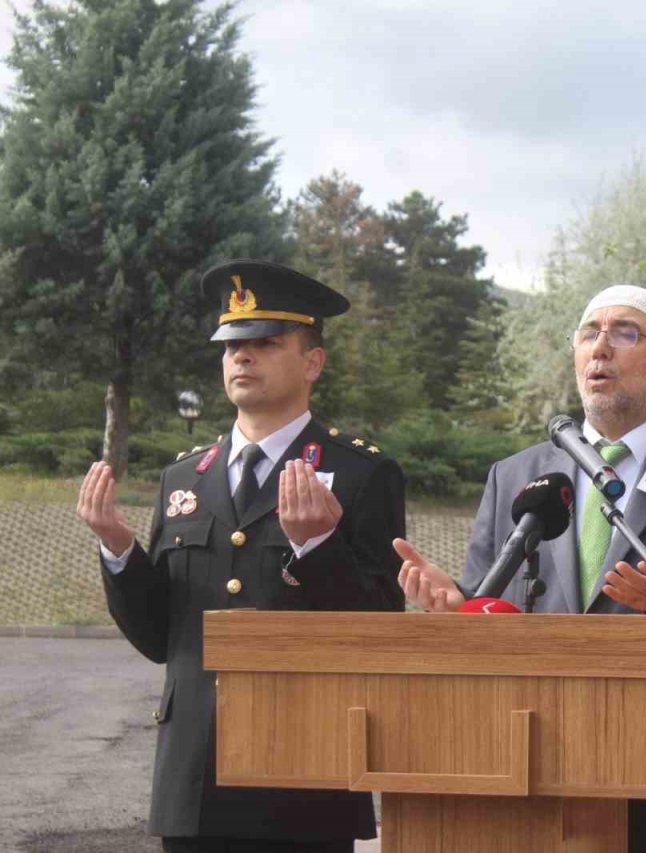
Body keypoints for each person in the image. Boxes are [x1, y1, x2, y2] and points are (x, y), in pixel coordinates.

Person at [396, 284, 646, 853]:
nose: (600, 346)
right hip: (538, 778)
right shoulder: (515, 475)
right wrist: (462, 610)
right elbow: (491, 612)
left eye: (626, 333)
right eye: (588, 333)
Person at [77, 260, 406, 852]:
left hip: (303, 775)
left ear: (312, 362)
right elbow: (161, 638)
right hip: (193, 774)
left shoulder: (362, 473)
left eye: (264, 343)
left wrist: (317, 547)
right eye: (231, 345)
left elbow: (377, 630)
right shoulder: (184, 476)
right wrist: (120, 548)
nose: (241, 357)